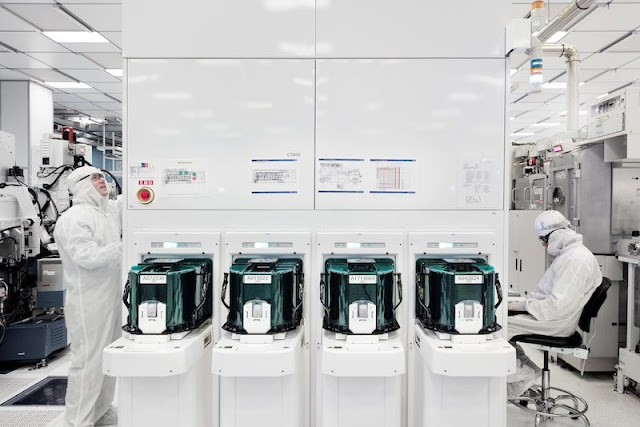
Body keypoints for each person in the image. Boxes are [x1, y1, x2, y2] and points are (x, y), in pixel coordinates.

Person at [506, 210, 601, 400]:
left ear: (556, 234)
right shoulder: (570, 254)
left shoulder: (576, 260)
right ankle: (523, 372)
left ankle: (524, 375)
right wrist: (521, 303)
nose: (543, 244)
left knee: (497, 328)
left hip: (556, 323)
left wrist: (520, 306)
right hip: (554, 317)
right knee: (500, 322)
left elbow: (557, 306)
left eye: (544, 239)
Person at [54, 166, 122, 427]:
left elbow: (131, 201)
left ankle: (100, 411)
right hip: (89, 302)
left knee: (109, 358)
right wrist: (124, 246)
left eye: (101, 177)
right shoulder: (74, 218)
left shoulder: (108, 211)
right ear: (81, 185)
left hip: (112, 297)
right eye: (94, 178)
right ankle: (78, 421)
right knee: (88, 362)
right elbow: (87, 257)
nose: (101, 181)